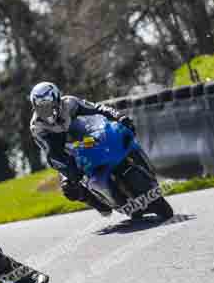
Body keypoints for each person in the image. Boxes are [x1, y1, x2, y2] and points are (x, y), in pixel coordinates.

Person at [29, 81, 137, 216]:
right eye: (40, 107)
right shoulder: (37, 127)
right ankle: (98, 204)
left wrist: (119, 116)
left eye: (47, 105)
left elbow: (98, 108)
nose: (45, 111)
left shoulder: (70, 103)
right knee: (69, 188)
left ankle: (136, 163)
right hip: (66, 152)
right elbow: (51, 153)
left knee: (119, 135)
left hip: (88, 135)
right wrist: (68, 168)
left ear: (56, 99)